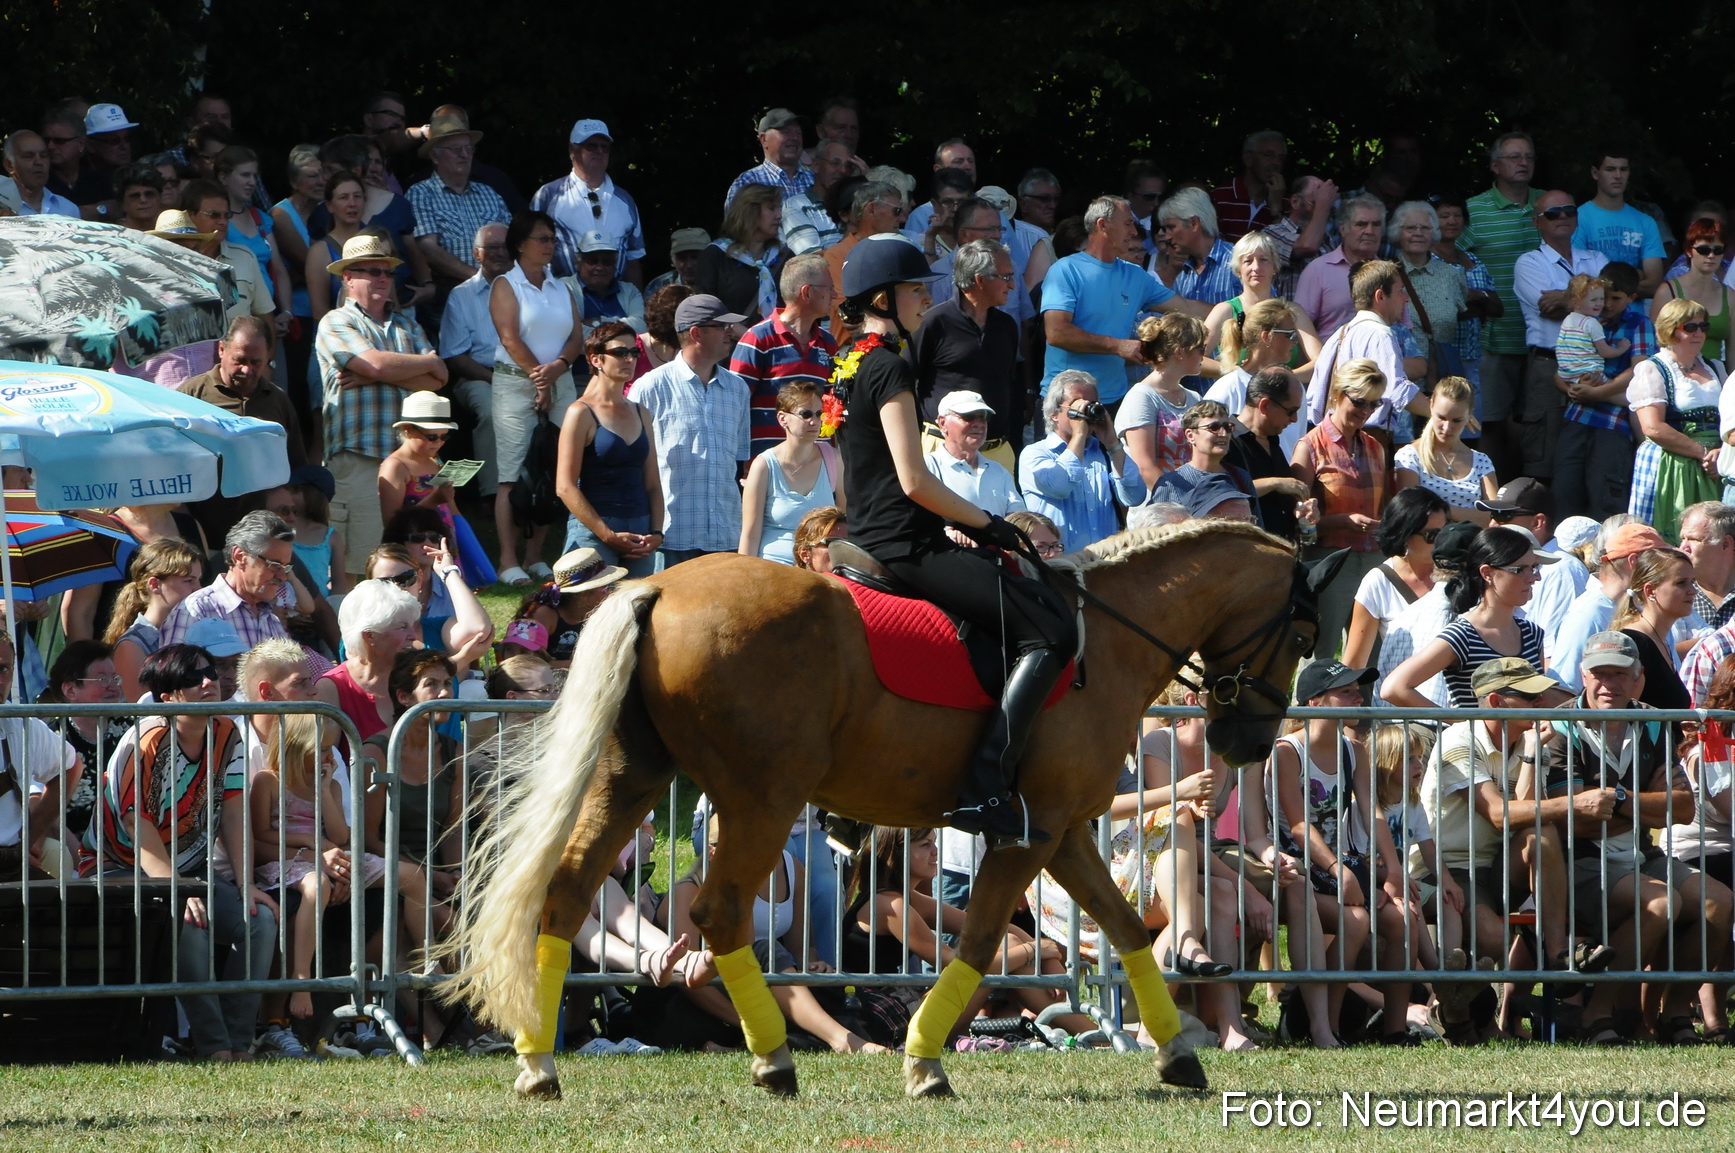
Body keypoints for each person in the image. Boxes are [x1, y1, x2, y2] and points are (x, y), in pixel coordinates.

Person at [833, 235, 1080, 848]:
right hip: (906, 543)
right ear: (887, 298)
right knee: (1051, 628)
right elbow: (915, 481)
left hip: (873, 530)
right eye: (917, 289)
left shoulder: (855, 362)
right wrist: (987, 524)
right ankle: (985, 787)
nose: (926, 298)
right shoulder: (888, 365)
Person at [89, 644, 278, 1062]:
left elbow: (233, 812)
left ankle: (239, 1042)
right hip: (116, 868)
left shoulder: (228, 732)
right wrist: (174, 889)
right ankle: (214, 1048)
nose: (210, 681)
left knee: (260, 919)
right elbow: (138, 829)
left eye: (210, 672)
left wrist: (245, 883)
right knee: (188, 923)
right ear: (168, 696)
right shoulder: (147, 738)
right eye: (193, 678)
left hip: (191, 872)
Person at [1418, 655, 1615, 1031]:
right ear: (1495, 702)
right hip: (1443, 867)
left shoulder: (1528, 740)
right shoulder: (1458, 740)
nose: (1541, 704)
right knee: (1492, 934)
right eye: (1529, 697)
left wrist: (1529, 753)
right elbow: (1497, 813)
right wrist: (1575, 803)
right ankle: (1457, 1011)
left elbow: (1525, 811)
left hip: (1491, 864)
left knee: (1540, 832)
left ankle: (1559, 954)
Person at [1537, 632, 1704, 1044]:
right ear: (1583, 675)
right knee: (1664, 902)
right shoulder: (1561, 725)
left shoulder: (1653, 721)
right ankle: (1597, 1016)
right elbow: (1578, 821)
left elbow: (1683, 809)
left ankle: (1675, 1014)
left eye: (1619, 674)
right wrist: (1650, 803)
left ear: (1638, 679)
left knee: (1719, 902)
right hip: (1580, 862)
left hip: (1642, 855)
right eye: (1599, 673)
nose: (1608, 684)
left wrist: (1619, 798)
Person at [1274, 661, 1422, 1047]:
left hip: (1340, 863)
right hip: (1298, 865)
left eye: (1358, 689)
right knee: (1355, 920)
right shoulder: (1288, 751)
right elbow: (1298, 826)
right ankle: (1327, 1024)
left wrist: (1393, 869)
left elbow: (1372, 813)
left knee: (1403, 916)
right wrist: (1340, 870)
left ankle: (1395, 1029)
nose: (1359, 697)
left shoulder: (1353, 748)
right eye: (1347, 691)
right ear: (1314, 702)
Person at [664, 815, 890, 1055]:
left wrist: (813, 967)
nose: (759, 856)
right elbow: (686, 980)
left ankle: (737, 1047)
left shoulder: (792, 869)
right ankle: (840, 1040)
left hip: (757, 989)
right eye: (744, 849)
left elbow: (802, 949)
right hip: (695, 1005)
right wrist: (749, 1022)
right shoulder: (687, 892)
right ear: (712, 853)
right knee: (763, 951)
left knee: (834, 995)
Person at [844, 827, 1087, 1048]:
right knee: (1007, 950)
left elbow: (990, 927)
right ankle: (1095, 1034)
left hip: (905, 1007)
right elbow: (953, 964)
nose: (935, 852)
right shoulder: (890, 905)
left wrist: (1046, 955)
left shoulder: (903, 897)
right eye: (925, 845)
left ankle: (1094, 1033)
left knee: (1008, 943)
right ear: (896, 853)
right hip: (887, 1021)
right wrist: (1033, 951)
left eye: (934, 843)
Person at [251, 712, 410, 1026]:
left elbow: (340, 837)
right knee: (317, 886)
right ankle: (301, 978)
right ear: (296, 748)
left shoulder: (331, 787)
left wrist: (325, 791)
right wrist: (307, 842)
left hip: (327, 856)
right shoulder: (268, 781)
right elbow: (258, 837)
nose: (330, 756)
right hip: (288, 862)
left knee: (410, 877)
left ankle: (425, 961)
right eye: (322, 749)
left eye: (331, 748)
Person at [315, 233, 449, 579]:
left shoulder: (408, 323)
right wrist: (394, 369)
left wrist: (376, 374)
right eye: (371, 271)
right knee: (358, 566)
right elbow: (376, 364)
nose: (382, 278)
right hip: (360, 456)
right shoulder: (335, 322)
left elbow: (439, 379)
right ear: (348, 278)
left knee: (414, 562)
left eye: (387, 272)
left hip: (409, 461)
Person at [489, 210, 585, 585]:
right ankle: (508, 560)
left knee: (552, 469)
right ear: (520, 245)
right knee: (513, 474)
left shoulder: (562, 287)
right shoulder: (505, 284)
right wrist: (540, 379)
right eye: (542, 238)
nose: (550, 245)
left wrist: (559, 367)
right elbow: (509, 337)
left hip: (559, 382)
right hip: (516, 384)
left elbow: (577, 337)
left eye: (552, 238)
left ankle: (535, 556)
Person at [1040, 195, 1195, 407]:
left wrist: (1237, 307)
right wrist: (1118, 346)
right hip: (1066, 401)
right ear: (1102, 225)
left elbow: (1186, 308)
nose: (1133, 232)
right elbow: (1057, 333)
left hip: (1115, 400)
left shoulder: (1135, 275)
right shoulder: (1065, 270)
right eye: (1128, 224)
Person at [633, 294, 753, 566]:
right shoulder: (650, 387)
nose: (730, 333)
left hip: (725, 536)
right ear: (696, 333)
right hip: (670, 535)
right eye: (721, 326)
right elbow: (636, 465)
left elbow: (739, 461)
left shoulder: (738, 389)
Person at [1382, 526, 1549, 709]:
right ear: (1487, 573)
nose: (1535, 577)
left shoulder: (1532, 633)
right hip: (1475, 739)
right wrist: (1459, 724)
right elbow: (1394, 688)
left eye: (1534, 567)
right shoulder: (1463, 634)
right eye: (1520, 569)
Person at [1292, 359, 1391, 660]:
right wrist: (1342, 521)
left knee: (1368, 652)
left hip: (1372, 557)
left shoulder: (1375, 446)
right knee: (1321, 649)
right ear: (1337, 393)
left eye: (1373, 404)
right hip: (1329, 558)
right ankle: (1309, 708)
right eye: (1359, 401)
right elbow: (1298, 519)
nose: (1365, 411)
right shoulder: (1310, 446)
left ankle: (1362, 708)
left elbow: (1382, 506)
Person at [1509, 190, 1610, 481]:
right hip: (1548, 365)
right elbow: (1549, 310)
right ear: (1537, 222)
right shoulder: (1528, 263)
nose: (1563, 217)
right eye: (1553, 213)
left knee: (1595, 450)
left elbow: (1611, 306)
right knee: (1544, 451)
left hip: (1596, 366)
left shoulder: (1597, 257)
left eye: (1569, 211)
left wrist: (1565, 297)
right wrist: (1591, 300)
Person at [1461, 134, 1544, 479]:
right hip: (1494, 336)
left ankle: (1530, 494)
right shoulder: (1475, 209)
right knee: (1491, 421)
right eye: (1513, 157)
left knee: (1536, 424)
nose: (1522, 162)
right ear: (1495, 166)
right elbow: (1452, 255)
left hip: (1545, 338)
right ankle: (1493, 494)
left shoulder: (1548, 204)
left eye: (1528, 157)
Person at [556, 321, 664, 578]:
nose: (629, 359)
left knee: (639, 613)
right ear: (596, 360)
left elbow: (653, 483)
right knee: (589, 613)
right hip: (594, 531)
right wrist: (607, 534)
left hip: (640, 532)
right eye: (620, 352)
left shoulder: (641, 412)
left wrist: (657, 533)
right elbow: (564, 486)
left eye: (634, 352)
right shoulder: (580, 412)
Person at [1555, 261, 1653, 520]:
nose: (1606, 304)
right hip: (1577, 415)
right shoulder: (1583, 320)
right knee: (1565, 488)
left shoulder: (1638, 323)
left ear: (1631, 298)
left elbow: (1639, 370)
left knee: (1606, 495)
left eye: (1615, 298)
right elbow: (1561, 365)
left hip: (1613, 421)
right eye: (1602, 297)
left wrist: (1601, 392)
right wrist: (1570, 389)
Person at [909, 238, 1021, 457]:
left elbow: (1009, 385)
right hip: (943, 450)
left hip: (998, 451)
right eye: (1005, 277)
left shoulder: (1006, 325)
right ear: (979, 280)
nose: (1012, 285)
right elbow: (905, 383)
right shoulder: (932, 323)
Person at [1627, 298, 1726, 543]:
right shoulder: (1653, 369)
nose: (1699, 333)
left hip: (1716, 464)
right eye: (1690, 327)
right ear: (1670, 330)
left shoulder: (1716, 368)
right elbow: (1653, 427)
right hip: (1672, 466)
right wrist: (1702, 453)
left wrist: (1721, 454)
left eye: (1703, 327)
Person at [1304, 261, 1431, 443]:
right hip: (1363, 440)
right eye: (1400, 291)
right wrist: (1441, 413)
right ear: (1380, 296)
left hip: (1326, 437)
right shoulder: (1380, 334)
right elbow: (1396, 389)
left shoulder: (1339, 335)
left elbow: (1313, 401)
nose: (1406, 298)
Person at [1020, 369, 1145, 552]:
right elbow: (1059, 486)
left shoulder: (1104, 452)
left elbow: (1135, 496)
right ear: (1054, 413)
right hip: (1059, 564)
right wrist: (1079, 434)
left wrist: (1112, 442)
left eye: (1091, 404)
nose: (1085, 411)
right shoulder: (1034, 454)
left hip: (1104, 564)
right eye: (1077, 405)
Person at [729, 253, 838, 458]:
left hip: (818, 467)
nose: (835, 294)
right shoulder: (757, 339)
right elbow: (735, 407)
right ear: (806, 292)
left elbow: (832, 407)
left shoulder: (828, 343)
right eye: (829, 288)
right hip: (768, 467)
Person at [436, 221, 512, 502]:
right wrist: (498, 380)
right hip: (479, 377)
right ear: (477, 254)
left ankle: (548, 492)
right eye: (492, 248)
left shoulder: (530, 289)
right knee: (494, 412)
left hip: (529, 373)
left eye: (505, 247)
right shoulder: (462, 295)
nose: (500, 253)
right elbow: (454, 357)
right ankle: (493, 495)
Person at [161, 511, 301, 651]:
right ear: (239, 557)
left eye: (285, 567)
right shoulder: (197, 609)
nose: (283, 576)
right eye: (274, 565)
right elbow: (173, 671)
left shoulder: (272, 621)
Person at [1343, 487, 1449, 669]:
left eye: (1446, 532)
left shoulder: (1459, 574)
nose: (1442, 542)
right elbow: (1354, 663)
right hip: (1402, 693)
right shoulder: (1378, 582)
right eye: (1431, 535)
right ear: (1404, 534)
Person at [406, 109, 509, 297]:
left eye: (469, 148)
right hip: (450, 291)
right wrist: (479, 278)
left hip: (500, 288)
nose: (464, 154)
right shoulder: (421, 193)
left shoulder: (489, 194)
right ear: (435, 157)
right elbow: (427, 249)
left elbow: (513, 241)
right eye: (455, 149)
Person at [314, 578, 423, 750]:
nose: (413, 636)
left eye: (411, 626)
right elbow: (325, 760)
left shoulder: (417, 678)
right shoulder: (331, 688)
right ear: (370, 636)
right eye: (402, 627)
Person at [532, 118, 644, 284]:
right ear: (572, 150)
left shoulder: (625, 201)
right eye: (591, 146)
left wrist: (636, 303)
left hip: (615, 301)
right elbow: (530, 254)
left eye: (604, 147)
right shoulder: (548, 195)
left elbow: (633, 260)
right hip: (562, 299)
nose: (599, 151)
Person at [740, 382, 842, 563]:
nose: (815, 421)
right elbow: (749, 535)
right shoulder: (763, 466)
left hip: (820, 571)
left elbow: (844, 524)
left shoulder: (834, 459)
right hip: (773, 568)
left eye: (819, 414)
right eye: (806, 414)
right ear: (782, 418)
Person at [1201, 232, 1323, 371]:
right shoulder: (1225, 310)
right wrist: (1236, 373)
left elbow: (1320, 361)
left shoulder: (1293, 311)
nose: (1256, 267)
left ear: (1275, 267)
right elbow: (1194, 357)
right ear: (1238, 269)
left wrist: (1286, 377)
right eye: (1248, 261)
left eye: (1264, 259)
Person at [104, 537, 206, 702]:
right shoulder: (132, 645)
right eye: (189, 581)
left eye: (199, 580)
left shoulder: (194, 630)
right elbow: (141, 708)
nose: (198, 589)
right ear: (155, 585)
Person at [1115, 314, 1205, 491]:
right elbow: (1145, 467)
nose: (1205, 354)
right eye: (1201, 349)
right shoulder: (1141, 397)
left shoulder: (1194, 398)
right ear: (1179, 352)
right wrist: (1181, 503)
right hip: (1160, 507)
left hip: (1195, 504)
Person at [1221, 365, 1312, 541]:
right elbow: (1222, 494)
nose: (1294, 419)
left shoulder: (1272, 440)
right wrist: (1274, 483)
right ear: (1265, 405)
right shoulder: (1224, 440)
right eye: (1291, 411)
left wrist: (1302, 509)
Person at [1394, 376, 1498, 522]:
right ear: (1431, 405)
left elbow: (1496, 518)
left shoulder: (1481, 461)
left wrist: (1437, 509)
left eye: (1457, 420)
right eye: (1441, 417)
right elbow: (1412, 512)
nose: (1447, 427)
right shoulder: (1409, 456)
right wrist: (1472, 515)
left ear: (1469, 415)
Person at [1430, 193, 1504, 394]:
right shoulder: (1426, 261)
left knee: (1473, 421)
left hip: (1474, 356)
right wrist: (1481, 307)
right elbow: (1442, 312)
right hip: (1442, 357)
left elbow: (1498, 308)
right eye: (1444, 216)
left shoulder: (1472, 258)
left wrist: (1480, 297)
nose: (1452, 221)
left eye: (1457, 215)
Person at [216, 147, 293, 336]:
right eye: (245, 175)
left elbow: (279, 269)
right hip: (233, 319)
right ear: (224, 177)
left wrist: (286, 312)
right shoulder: (216, 222)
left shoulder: (260, 218)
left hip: (269, 316)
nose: (252, 182)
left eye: (254, 176)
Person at [1608, 547, 1695, 709]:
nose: (1692, 591)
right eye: (1681, 583)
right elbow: (1620, 712)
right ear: (1650, 591)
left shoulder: (1661, 640)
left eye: (1692, 582)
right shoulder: (1632, 643)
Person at [1389, 200, 1470, 375]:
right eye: (1410, 228)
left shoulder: (1452, 275)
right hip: (1398, 377)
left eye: (1425, 228)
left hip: (1441, 376)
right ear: (1397, 232)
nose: (1418, 233)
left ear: (1434, 232)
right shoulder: (1385, 275)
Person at [1294, 195, 1387, 338]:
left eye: (1376, 224)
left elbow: (1403, 327)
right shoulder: (1319, 270)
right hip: (1331, 358)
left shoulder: (1389, 274)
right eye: (1361, 224)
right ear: (1343, 229)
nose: (1369, 231)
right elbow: (1300, 327)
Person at [923, 390, 1023, 518]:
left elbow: (1019, 520)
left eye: (983, 417)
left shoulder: (1000, 472)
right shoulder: (927, 468)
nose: (978, 424)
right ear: (942, 423)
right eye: (968, 416)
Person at [523, 548, 628, 668]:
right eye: (605, 587)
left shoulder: (596, 614)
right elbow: (529, 661)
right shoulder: (546, 615)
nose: (609, 592)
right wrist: (581, 665)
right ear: (583, 596)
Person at [696, 184, 785, 322]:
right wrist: (743, 334)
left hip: (777, 342)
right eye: (771, 208)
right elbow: (705, 307)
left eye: (779, 208)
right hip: (731, 341)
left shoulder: (784, 256)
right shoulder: (716, 255)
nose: (779, 216)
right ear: (750, 212)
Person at [1651, 219, 1733, 364]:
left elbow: (1733, 350)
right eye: (1703, 250)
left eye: (1718, 250)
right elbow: (1656, 344)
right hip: (1677, 377)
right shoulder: (1667, 291)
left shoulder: (1730, 295)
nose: (1711, 255)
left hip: (1718, 378)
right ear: (1689, 251)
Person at [1155, 187, 1242, 307]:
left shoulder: (1238, 261)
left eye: (1171, 227)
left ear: (1194, 223)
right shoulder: (1183, 277)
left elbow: (1266, 313)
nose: (1167, 236)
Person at [1264, 173, 1337, 297]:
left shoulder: (1327, 239)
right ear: (1295, 202)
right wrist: (1323, 204)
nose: (1324, 205)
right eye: (1316, 201)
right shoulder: (1271, 234)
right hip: (1288, 314)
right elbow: (1307, 246)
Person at [724, 108, 813, 209]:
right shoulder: (748, 182)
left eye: (798, 133)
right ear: (764, 139)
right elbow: (737, 224)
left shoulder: (815, 180)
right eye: (786, 132)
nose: (794, 138)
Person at [1210, 130, 1286, 242]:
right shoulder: (1219, 197)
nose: (1276, 163)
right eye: (1268, 155)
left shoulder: (1287, 204)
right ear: (1248, 159)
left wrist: (1275, 208)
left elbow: (1284, 248)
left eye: (1281, 158)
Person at [1555, 274, 1629, 383]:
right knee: (1621, 394)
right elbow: (1605, 352)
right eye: (1593, 300)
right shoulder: (1592, 324)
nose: (1599, 304)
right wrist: (1621, 348)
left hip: (1567, 375)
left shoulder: (1567, 320)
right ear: (1576, 302)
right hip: (1591, 374)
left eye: (1601, 299)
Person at [567, 231, 646, 333]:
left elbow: (641, 327)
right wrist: (623, 330)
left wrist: (598, 322)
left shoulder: (630, 291)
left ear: (615, 264)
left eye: (607, 261)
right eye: (592, 260)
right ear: (578, 262)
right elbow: (572, 333)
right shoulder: (565, 288)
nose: (599, 267)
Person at [782, 138, 851, 254]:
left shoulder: (856, 204)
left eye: (849, 166)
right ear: (816, 165)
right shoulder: (796, 206)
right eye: (835, 163)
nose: (843, 170)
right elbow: (812, 262)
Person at [1680, 501, 1735, 631]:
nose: (1683, 548)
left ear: (1726, 544)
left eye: (1693, 539)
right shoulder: (1676, 592)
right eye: (1682, 539)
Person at [3, 130, 79, 217]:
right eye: (29, 156)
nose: (39, 162)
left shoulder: (67, 209)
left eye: (43, 155)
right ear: (9, 165)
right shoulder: (3, 209)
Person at [644, 228, 710, 298]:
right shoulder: (659, 286)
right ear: (673, 259)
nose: (689, 265)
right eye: (682, 258)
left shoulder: (720, 283)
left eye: (695, 257)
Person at [792, 507, 847, 573]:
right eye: (833, 543)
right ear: (805, 554)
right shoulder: (790, 582)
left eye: (848, 543)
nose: (843, 549)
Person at [113, 163, 163, 231]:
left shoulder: (173, 231)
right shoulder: (114, 235)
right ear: (122, 204)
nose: (143, 200)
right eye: (135, 196)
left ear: (159, 198)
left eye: (149, 194)